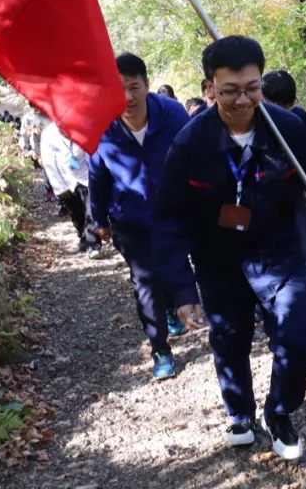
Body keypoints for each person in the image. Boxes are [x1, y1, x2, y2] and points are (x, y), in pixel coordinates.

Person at [151, 36, 306, 461]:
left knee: (299, 338)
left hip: (279, 253)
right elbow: (169, 220)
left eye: (252, 88)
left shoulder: (286, 130)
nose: (243, 99)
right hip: (218, 261)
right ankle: (240, 412)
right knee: (230, 339)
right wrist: (181, 289)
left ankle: (279, 411)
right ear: (210, 87)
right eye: (230, 90)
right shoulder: (190, 144)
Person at [89, 53, 191, 380]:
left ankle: (173, 304)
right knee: (145, 280)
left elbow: (197, 157)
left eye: (134, 87)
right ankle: (160, 348)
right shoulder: (102, 127)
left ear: (147, 84)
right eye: (120, 90)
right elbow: (97, 177)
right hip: (129, 219)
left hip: (175, 213)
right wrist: (98, 221)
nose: (128, 97)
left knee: (173, 265)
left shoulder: (173, 115)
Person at [261, 70, 306, 339]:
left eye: (289, 105)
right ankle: (268, 309)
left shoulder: (298, 119)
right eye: (277, 106)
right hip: (259, 207)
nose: (284, 112)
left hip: (296, 200)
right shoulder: (249, 121)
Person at [40, 121, 93, 251]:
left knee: (92, 210)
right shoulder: (48, 134)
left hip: (86, 176)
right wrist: (58, 186)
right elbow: (49, 163)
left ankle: (93, 243)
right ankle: (83, 236)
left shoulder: (83, 125)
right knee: (76, 213)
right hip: (66, 179)